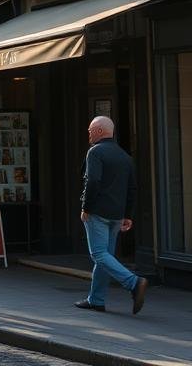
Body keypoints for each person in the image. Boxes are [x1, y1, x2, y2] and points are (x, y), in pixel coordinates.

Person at [76, 115, 149, 314]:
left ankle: (133, 283)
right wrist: (127, 215)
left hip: (97, 212)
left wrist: (86, 208)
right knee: (105, 256)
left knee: (98, 254)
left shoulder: (95, 152)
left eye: (91, 130)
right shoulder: (125, 156)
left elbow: (92, 182)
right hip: (117, 214)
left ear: (100, 131)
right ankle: (96, 300)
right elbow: (132, 188)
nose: (88, 134)